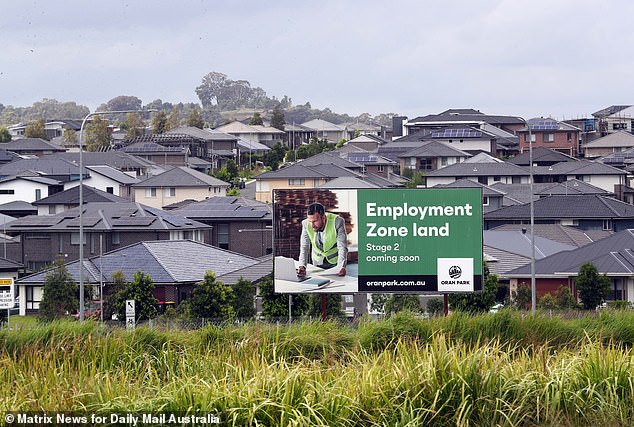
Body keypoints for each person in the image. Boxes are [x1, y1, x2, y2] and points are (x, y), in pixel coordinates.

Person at [298, 202, 348, 277]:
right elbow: (304, 247)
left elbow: (342, 247)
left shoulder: (337, 222)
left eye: (315, 221)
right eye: (310, 221)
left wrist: (341, 266)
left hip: (335, 262)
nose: (312, 225)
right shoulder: (305, 224)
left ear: (323, 217)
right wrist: (302, 266)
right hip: (317, 261)